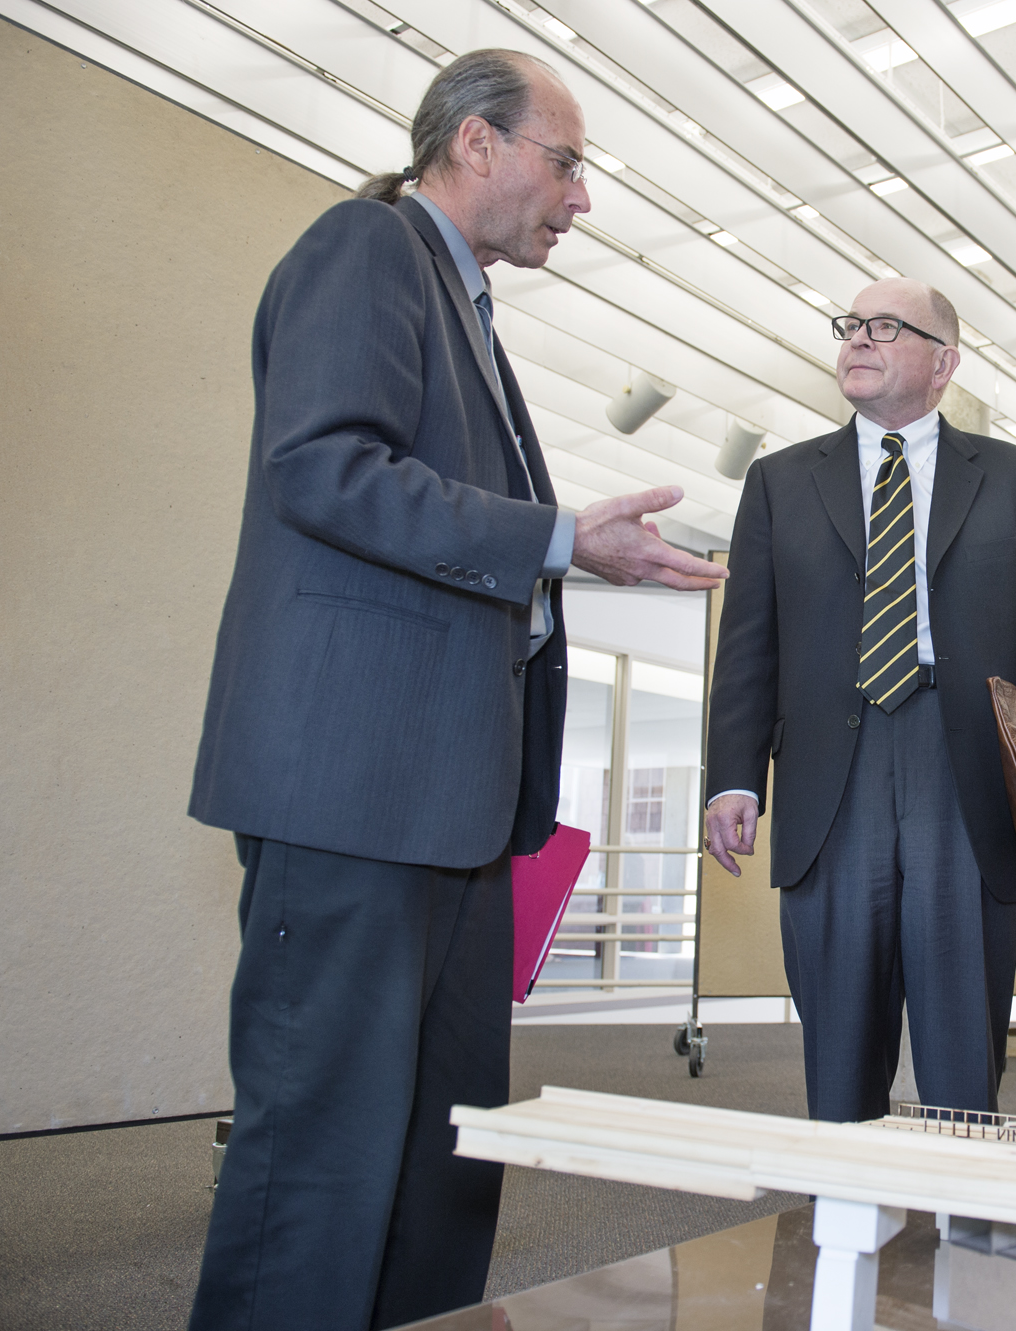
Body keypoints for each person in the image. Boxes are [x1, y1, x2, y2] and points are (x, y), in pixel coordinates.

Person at [185, 49, 726, 1331]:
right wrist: (557, 541)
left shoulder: (468, 307)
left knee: (441, 1164)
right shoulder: (366, 249)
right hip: (354, 794)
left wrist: (562, 562)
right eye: (567, 160)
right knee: (318, 1159)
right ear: (474, 143)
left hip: (452, 815)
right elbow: (321, 467)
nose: (581, 200)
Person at [704, 278, 1016, 1124]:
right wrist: (733, 778)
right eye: (849, 324)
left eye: (885, 326)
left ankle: (966, 1224)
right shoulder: (779, 482)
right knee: (840, 1045)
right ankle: (845, 1224)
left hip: (962, 769)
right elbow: (749, 644)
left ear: (944, 361)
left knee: (964, 1051)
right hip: (830, 777)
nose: (857, 338)